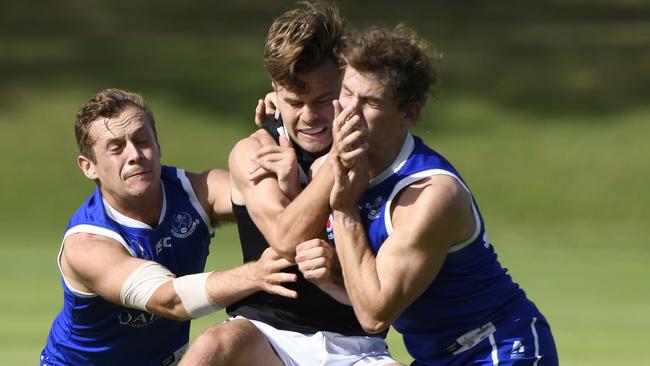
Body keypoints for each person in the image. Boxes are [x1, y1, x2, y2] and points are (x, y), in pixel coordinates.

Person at [180, 2, 399, 365]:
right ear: (275, 92)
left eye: (324, 100)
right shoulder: (255, 152)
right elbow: (286, 239)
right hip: (267, 333)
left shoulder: (378, 151)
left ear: (345, 86)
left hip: (359, 343)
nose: (310, 117)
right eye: (294, 102)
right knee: (211, 347)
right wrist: (337, 162)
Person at [326, 27, 560, 365]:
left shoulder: (430, 195)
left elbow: (374, 315)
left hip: (497, 348)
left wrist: (344, 210)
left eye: (371, 102)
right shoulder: (338, 161)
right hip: (435, 358)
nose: (349, 110)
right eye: (346, 92)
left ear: (410, 113)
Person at [40, 89, 298, 366]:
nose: (134, 155)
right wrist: (254, 275)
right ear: (88, 167)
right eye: (116, 148)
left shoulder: (195, 192)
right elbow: (171, 300)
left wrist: (282, 124)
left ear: (158, 145)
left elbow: (266, 201)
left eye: (141, 140)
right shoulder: (88, 244)